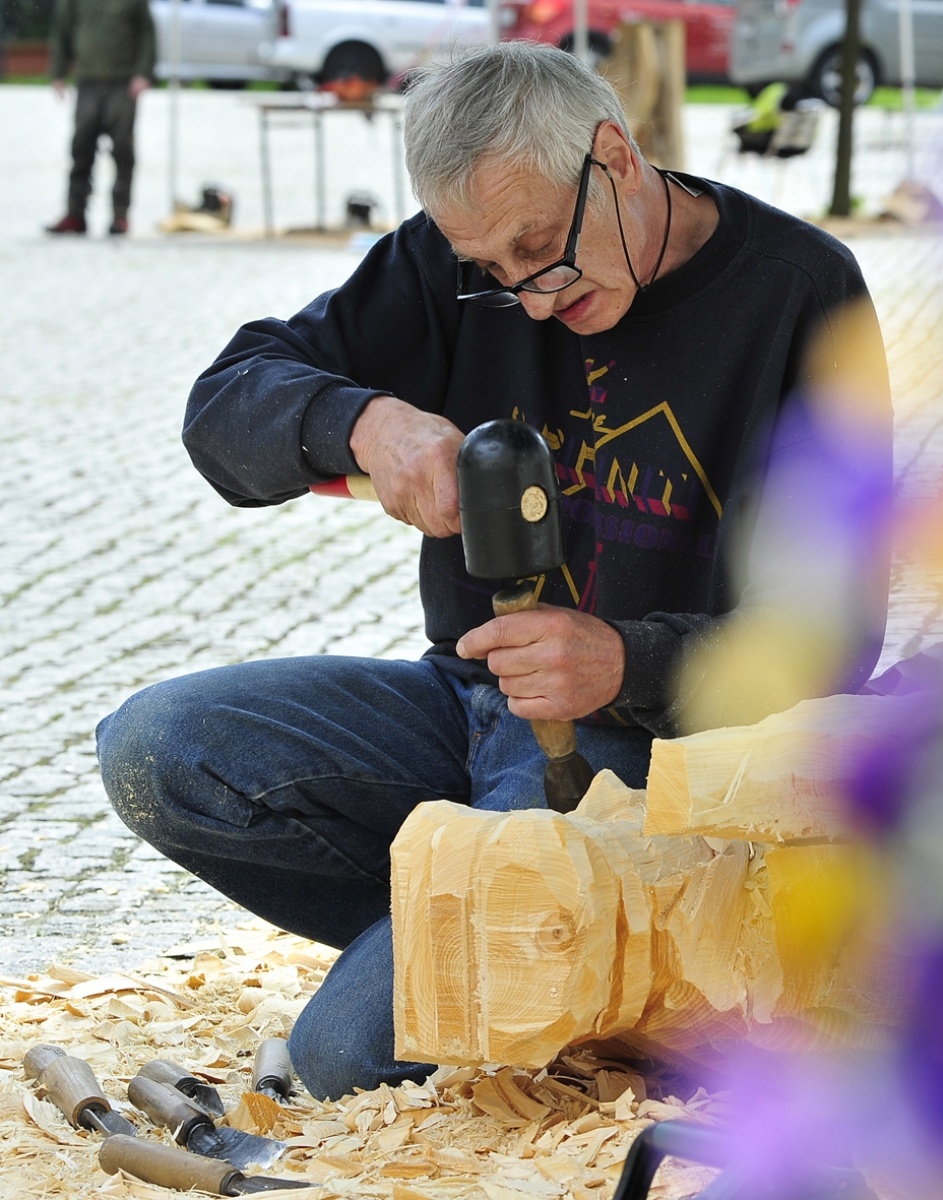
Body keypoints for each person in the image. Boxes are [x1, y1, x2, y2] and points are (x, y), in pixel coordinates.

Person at [97, 42, 892, 1100]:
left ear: (615, 156)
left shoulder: (801, 294)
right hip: (467, 696)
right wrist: (362, 423)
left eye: (540, 250)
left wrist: (624, 660)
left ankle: (567, 948)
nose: (531, 300)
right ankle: (544, 948)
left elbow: (836, 634)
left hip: (645, 751)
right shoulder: (459, 262)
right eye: (494, 271)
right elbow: (225, 405)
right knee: (156, 748)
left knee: (347, 1056)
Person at [45, 0, 157, 236]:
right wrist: (58, 72)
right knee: (81, 148)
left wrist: (143, 72)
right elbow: (63, 30)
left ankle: (120, 215)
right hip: (88, 81)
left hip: (122, 83)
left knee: (123, 151)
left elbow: (147, 33)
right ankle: (75, 214)